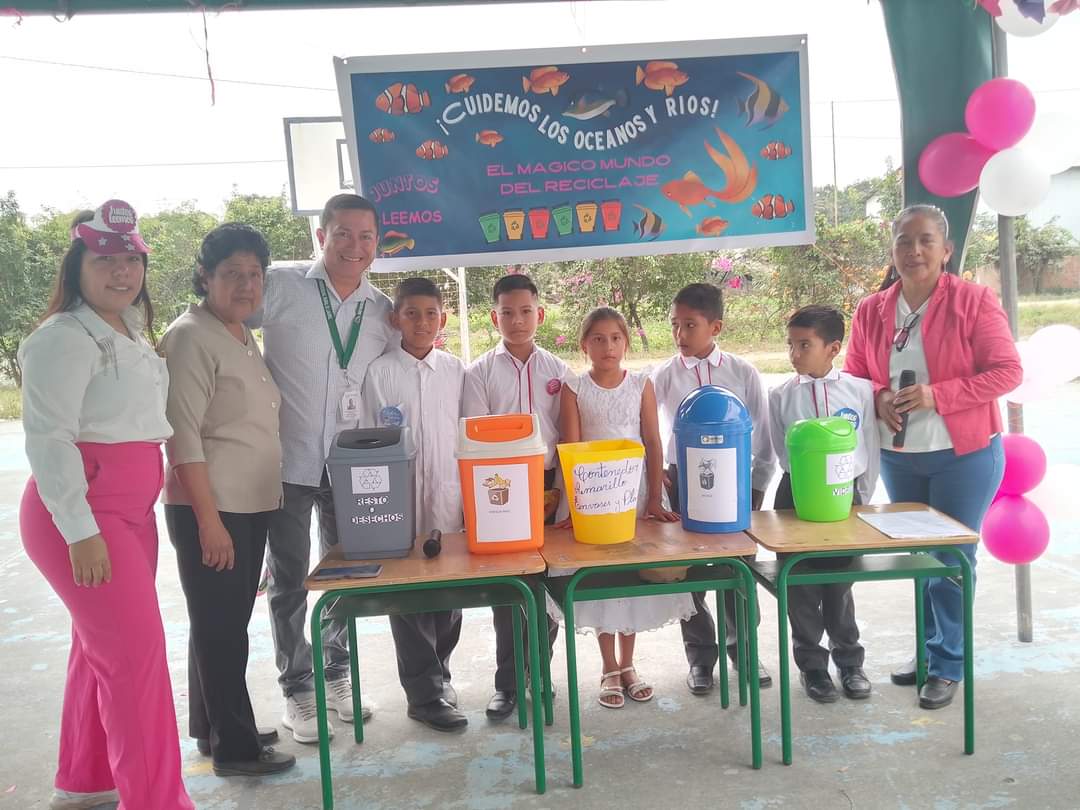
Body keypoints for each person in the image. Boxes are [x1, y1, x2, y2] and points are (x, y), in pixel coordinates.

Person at [18, 201, 194, 810]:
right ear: (77, 266)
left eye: (131, 260)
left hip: (132, 513)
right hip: (84, 515)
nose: (122, 272)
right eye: (104, 260)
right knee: (135, 661)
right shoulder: (61, 338)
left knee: (102, 649)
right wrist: (79, 529)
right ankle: (156, 801)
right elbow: (48, 439)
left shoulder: (127, 330)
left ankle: (86, 778)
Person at [844, 204, 1022, 710]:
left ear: (946, 250)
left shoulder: (973, 301)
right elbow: (854, 373)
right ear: (893, 249)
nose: (914, 250)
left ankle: (948, 664)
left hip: (964, 455)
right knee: (923, 559)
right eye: (904, 241)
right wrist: (878, 394)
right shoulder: (872, 309)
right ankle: (929, 653)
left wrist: (936, 395)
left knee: (951, 559)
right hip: (900, 456)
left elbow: (1007, 371)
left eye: (925, 240)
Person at [252, 193, 396, 742]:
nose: (354, 246)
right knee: (288, 580)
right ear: (321, 236)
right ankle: (297, 688)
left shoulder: (381, 310)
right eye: (343, 234)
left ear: (377, 243)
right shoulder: (280, 286)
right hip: (288, 460)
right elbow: (226, 317)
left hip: (351, 466)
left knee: (347, 575)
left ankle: (337, 674)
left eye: (366, 236)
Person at [159, 224, 295, 776]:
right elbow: (182, 436)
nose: (245, 285)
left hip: (247, 503)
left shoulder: (237, 332)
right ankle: (236, 749)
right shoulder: (189, 337)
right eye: (232, 274)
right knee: (221, 629)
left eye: (254, 274)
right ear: (205, 277)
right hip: (212, 507)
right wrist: (209, 521)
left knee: (220, 623)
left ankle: (214, 728)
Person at [552, 307, 685, 708]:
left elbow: (652, 441)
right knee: (601, 578)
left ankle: (629, 665)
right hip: (593, 495)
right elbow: (571, 449)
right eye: (598, 338)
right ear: (584, 345)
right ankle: (608, 666)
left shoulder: (641, 384)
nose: (607, 346)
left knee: (632, 575)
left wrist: (653, 497)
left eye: (615, 338)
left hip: (635, 493)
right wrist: (577, 508)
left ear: (626, 342)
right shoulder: (574, 388)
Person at [652, 282, 777, 695]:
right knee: (689, 573)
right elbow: (647, 427)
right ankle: (700, 659)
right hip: (682, 482)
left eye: (690, 325)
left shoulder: (742, 372)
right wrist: (659, 476)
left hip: (736, 487)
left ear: (716, 327)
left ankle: (745, 652)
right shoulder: (665, 375)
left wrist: (756, 488)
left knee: (738, 569)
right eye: (675, 324)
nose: (680, 334)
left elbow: (762, 435)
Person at [361, 278, 468, 732]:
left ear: (443, 319)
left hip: (447, 497)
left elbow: (467, 432)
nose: (422, 323)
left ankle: (441, 674)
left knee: (449, 593)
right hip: (399, 500)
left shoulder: (456, 371)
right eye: (411, 313)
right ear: (395, 319)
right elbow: (371, 437)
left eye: (430, 314)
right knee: (407, 595)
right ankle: (423, 695)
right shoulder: (380, 373)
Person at [462, 273, 567, 720]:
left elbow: (568, 432)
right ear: (494, 318)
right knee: (508, 587)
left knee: (548, 582)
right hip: (499, 490)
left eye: (526, 312)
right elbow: (476, 437)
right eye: (508, 313)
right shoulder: (479, 373)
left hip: (548, 487)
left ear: (539, 314)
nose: (518, 321)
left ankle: (540, 674)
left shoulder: (559, 371)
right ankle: (507, 684)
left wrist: (562, 488)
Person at [768, 305, 877, 704]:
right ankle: (812, 667)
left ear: (832, 348)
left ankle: (850, 662)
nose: (794, 354)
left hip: (844, 497)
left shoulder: (859, 391)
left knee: (839, 584)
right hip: (796, 496)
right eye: (790, 345)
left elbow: (869, 448)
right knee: (798, 584)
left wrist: (862, 499)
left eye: (804, 345)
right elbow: (781, 451)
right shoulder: (780, 395)